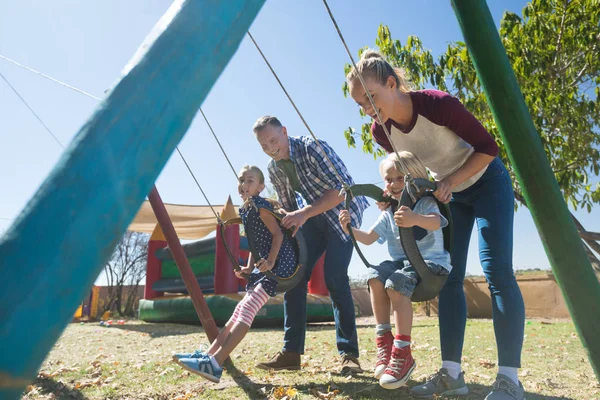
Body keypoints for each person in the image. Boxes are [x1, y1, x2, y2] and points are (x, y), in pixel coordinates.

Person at [346, 50, 526, 400]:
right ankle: (452, 374)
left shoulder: (438, 104)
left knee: (497, 271)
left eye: (371, 98)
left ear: (392, 83)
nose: (367, 108)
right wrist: (397, 198)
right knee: (449, 277)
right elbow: (410, 172)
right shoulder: (381, 132)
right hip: (449, 197)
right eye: (360, 104)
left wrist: (452, 179)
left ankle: (509, 380)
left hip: (487, 182)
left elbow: (488, 148)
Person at [252, 115, 369, 374]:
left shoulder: (312, 147)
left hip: (342, 214)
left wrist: (303, 214)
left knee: (335, 278)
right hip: (314, 219)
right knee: (295, 277)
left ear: (284, 131)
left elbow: (342, 190)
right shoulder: (273, 169)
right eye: (264, 145)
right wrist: (270, 212)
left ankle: (349, 355)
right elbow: (291, 210)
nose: (271, 148)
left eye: (273, 140)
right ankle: (291, 353)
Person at [172, 165, 298, 383]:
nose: (244, 184)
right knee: (238, 311)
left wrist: (269, 261)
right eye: (241, 180)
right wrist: (249, 268)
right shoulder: (246, 211)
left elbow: (277, 236)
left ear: (260, 187)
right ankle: (209, 355)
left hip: (279, 266)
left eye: (250, 181)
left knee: (247, 309)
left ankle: (215, 363)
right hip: (265, 266)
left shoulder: (260, 207)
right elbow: (255, 244)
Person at [339, 151, 451, 390]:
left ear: (414, 179)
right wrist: (350, 228)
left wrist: (414, 218)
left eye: (401, 178)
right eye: (389, 179)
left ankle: (403, 352)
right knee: (375, 278)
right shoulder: (388, 212)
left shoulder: (425, 202)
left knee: (396, 283)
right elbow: (368, 238)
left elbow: (434, 221)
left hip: (430, 264)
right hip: (403, 263)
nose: (394, 184)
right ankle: (385, 343)